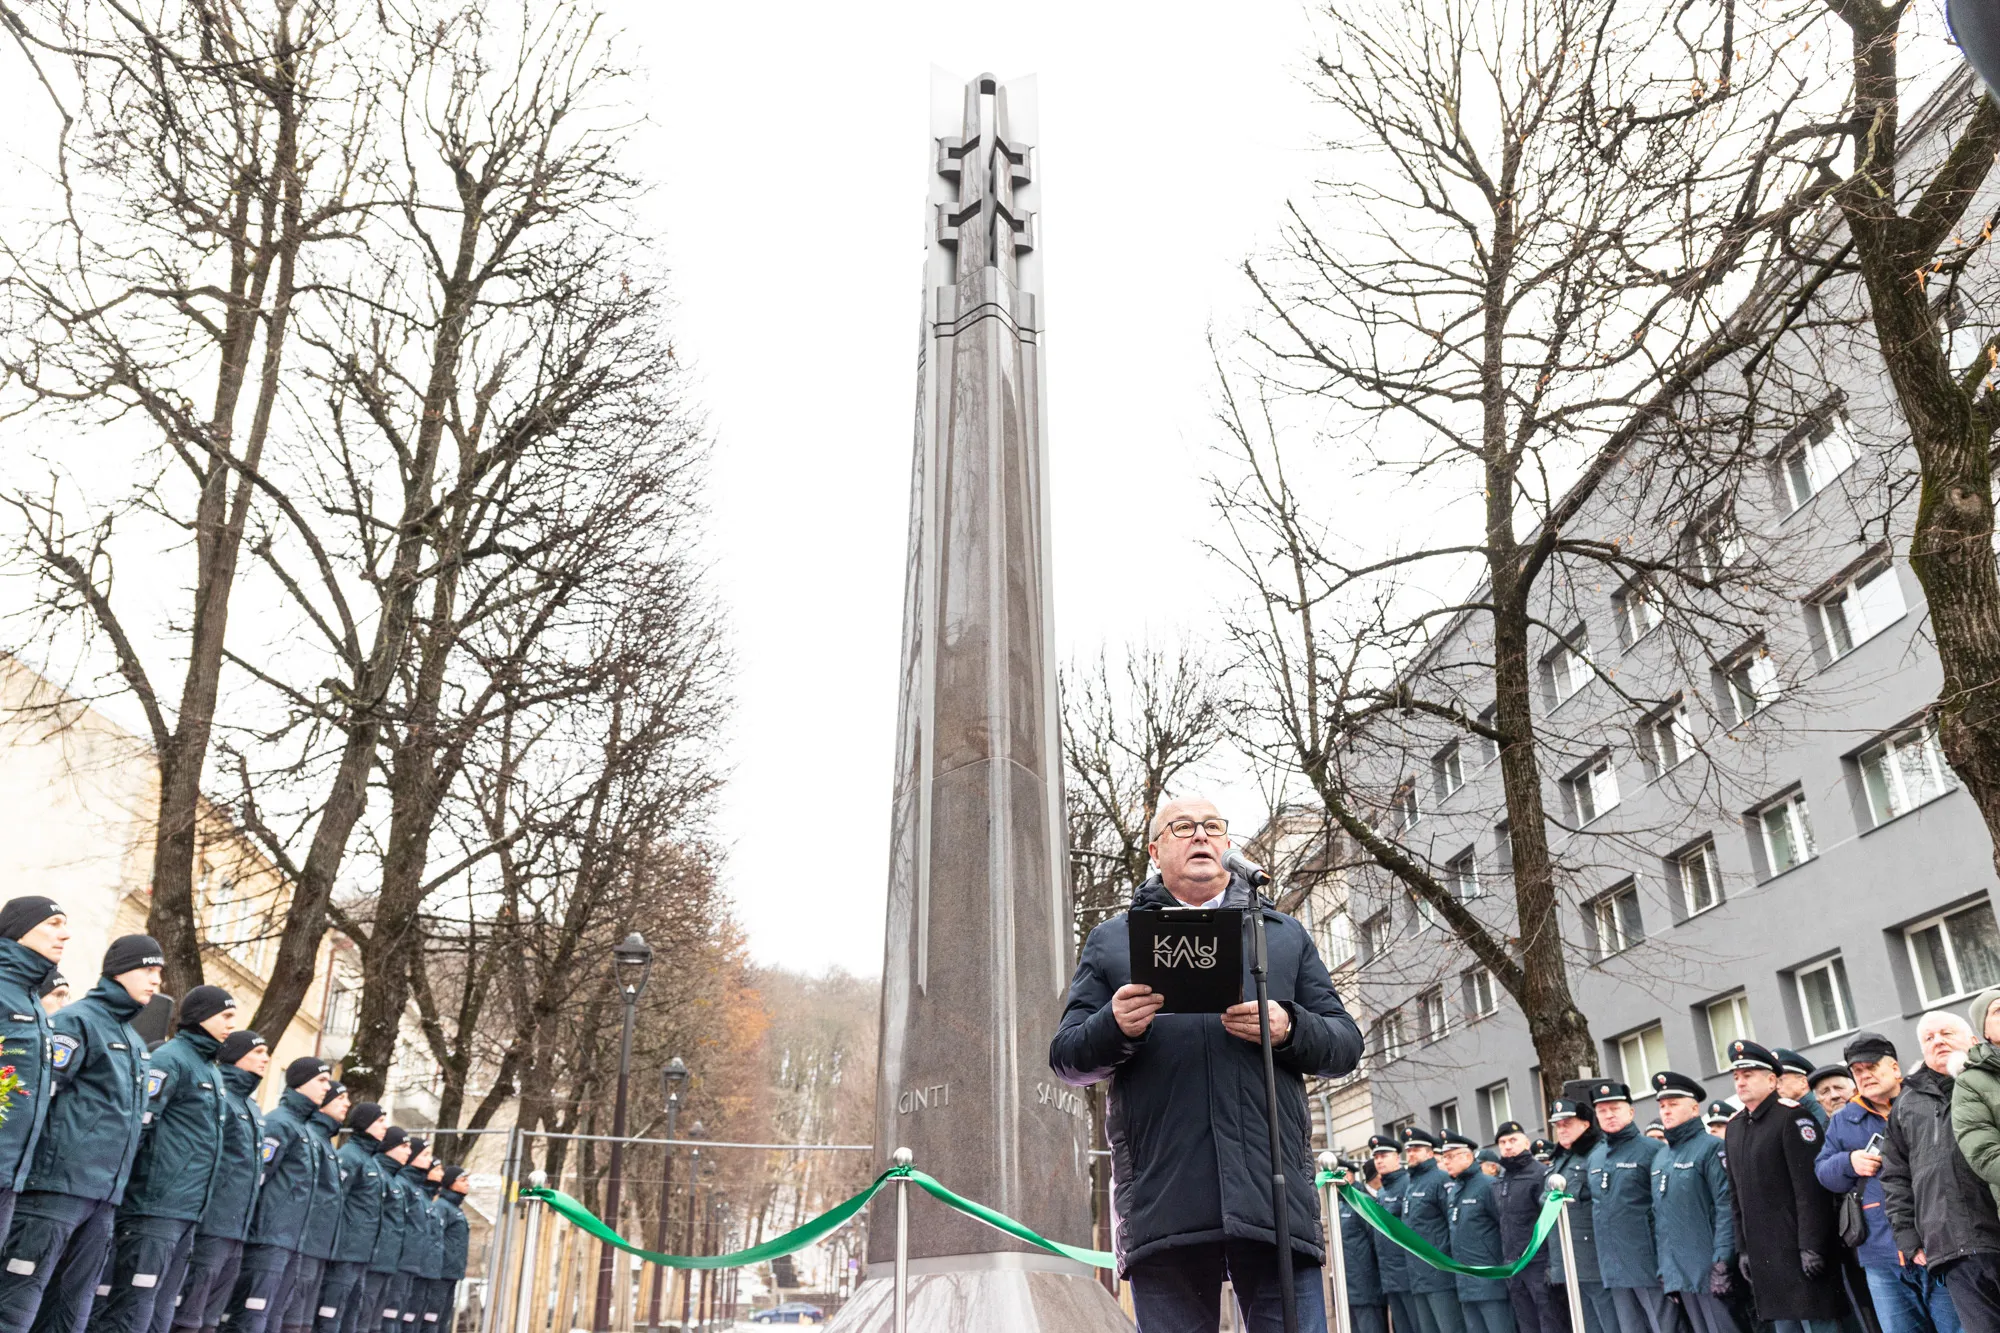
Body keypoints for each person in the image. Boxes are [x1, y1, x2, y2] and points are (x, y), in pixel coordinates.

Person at [1048, 796, 1364, 1331]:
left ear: (1227, 844)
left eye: (1212, 826)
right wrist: (1114, 1025)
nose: (1200, 835)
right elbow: (1067, 1058)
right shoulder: (1113, 940)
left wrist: (1290, 1027)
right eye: (1182, 827)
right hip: (1162, 1199)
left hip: (1273, 1199)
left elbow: (1346, 1045)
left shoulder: (1281, 934)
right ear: (1155, 851)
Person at [0, 935, 163, 1333]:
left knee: (72, 1310)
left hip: (103, 1197)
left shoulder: (134, 1040)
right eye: (148, 969)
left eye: (159, 972)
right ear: (119, 970)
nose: (156, 980)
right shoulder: (77, 1021)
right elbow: (42, 1097)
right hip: (55, 1190)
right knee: (17, 1305)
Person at [89, 986, 239, 1333]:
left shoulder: (210, 1069)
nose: (232, 1025)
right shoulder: (170, 1060)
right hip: (154, 1205)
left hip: (187, 1210)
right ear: (201, 1016)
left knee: (161, 1308)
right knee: (132, 1306)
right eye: (226, 1016)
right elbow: (140, 1127)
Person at [1819, 1032, 1959, 1333]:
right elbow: (1823, 1172)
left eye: (1871, 1067)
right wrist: (1849, 1162)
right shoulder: (1844, 1119)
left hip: (1939, 1246)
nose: (1864, 1075)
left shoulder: (1924, 1100)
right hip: (1881, 1255)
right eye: (1857, 1071)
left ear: (1895, 1068)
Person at [1883, 1012, 2000, 1333]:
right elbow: (1895, 1176)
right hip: (1952, 1242)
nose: (1938, 1041)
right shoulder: (1906, 1103)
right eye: (1929, 1038)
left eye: (1946, 1033)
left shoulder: (1991, 1079)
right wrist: (1908, 1238)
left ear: (1973, 1040)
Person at [228, 1058, 336, 1333]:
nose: (327, 1087)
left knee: (273, 1319)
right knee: (252, 1318)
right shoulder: (279, 1123)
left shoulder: (304, 1130)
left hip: (292, 1240)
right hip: (268, 1238)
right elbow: (259, 1178)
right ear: (300, 1082)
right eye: (321, 1080)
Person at [174, 1032, 269, 1333]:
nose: (266, 1059)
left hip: (236, 1229)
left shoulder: (252, 1107)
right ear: (237, 1054)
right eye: (259, 1052)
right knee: (188, 1315)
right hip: (211, 1223)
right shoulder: (221, 1096)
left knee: (211, 1319)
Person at [1582, 1080, 1685, 1333]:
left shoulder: (1653, 1150)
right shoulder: (1595, 1157)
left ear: (1630, 1111)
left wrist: (1667, 1264)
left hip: (1649, 1264)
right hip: (1613, 1266)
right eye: (1602, 1110)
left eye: (1615, 1108)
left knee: (1665, 1327)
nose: (1609, 1115)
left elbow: (1666, 1210)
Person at [1648, 1072, 1741, 1333]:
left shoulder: (1711, 1148)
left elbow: (1726, 1207)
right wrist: (1666, 1269)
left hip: (1710, 1270)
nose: (1666, 1111)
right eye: (1662, 1106)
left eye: (1673, 1104)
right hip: (1681, 1273)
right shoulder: (1661, 1157)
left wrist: (1723, 1261)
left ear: (1694, 1108)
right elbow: (1661, 1217)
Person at [0, 897, 68, 1246]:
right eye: (54, 924)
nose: (65, 935)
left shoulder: (33, 1004)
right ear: (21, 930)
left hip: (11, 1174)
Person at [279, 1081, 348, 1333]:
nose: (347, 1104)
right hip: (300, 1240)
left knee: (302, 1322)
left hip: (317, 1244)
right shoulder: (308, 1136)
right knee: (290, 1319)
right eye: (340, 1099)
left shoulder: (325, 1143)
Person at [1545, 1096, 1615, 1333]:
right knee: (1584, 1323)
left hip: (1592, 1256)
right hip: (1568, 1257)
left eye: (1567, 1124)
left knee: (1607, 1322)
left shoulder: (1597, 1153)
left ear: (1585, 1124)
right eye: (1558, 1125)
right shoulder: (1561, 1159)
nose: (1561, 1130)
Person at [321, 1105, 392, 1333]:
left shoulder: (371, 1161)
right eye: (380, 1121)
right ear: (365, 1123)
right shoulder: (349, 1157)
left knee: (350, 1317)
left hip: (361, 1254)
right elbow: (335, 1201)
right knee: (332, 1317)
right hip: (345, 1252)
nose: (385, 1126)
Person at [1494, 1122, 1564, 1333]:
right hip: (1513, 1266)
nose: (1507, 1146)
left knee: (1550, 1322)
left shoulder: (1540, 1174)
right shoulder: (1501, 1179)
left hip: (1538, 1265)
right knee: (1526, 1324)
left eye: (1513, 1140)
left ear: (1526, 1143)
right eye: (1502, 1142)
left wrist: (1551, 1265)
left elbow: (1551, 1222)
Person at [1441, 1133, 1514, 1333]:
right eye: (1444, 1157)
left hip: (1491, 1281)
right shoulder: (1455, 1190)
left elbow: (1505, 1229)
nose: (1446, 1162)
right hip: (1465, 1283)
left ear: (1467, 1156)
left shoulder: (1488, 1185)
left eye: (1450, 1156)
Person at [1401, 1128, 1465, 1333]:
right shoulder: (1411, 1183)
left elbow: (1453, 1224)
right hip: (1418, 1276)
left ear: (1429, 1153)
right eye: (1408, 1150)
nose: (1411, 1154)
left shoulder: (1440, 1179)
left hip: (1440, 1275)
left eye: (1416, 1149)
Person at [359, 1129, 414, 1333]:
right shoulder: (379, 1175)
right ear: (389, 1147)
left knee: (375, 1324)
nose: (408, 1152)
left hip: (388, 1262)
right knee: (362, 1321)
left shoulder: (393, 1179)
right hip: (373, 1260)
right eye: (404, 1146)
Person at [1373, 1136, 1420, 1333]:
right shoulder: (1382, 1193)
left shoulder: (1408, 1184)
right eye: (1376, 1157)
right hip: (1390, 1276)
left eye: (1384, 1156)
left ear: (1397, 1157)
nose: (1379, 1161)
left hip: (1408, 1274)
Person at [1334, 1159, 1387, 1333]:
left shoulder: (1362, 1201)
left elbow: (1376, 1241)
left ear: (1349, 1176)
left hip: (1365, 1285)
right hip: (1349, 1286)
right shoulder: (1341, 1203)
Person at [433, 1169, 469, 1333]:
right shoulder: (442, 1207)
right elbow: (435, 1236)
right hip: (440, 1273)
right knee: (434, 1317)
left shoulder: (455, 1209)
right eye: (462, 1180)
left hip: (451, 1272)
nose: (467, 1184)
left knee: (444, 1318)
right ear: (450, 1183)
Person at [1778, 1050, 1829, 1128]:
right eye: (1776, 1082)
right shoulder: (1796, 1111)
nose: (1777, 1086)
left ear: (1803, 1082)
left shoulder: (1820, 1109)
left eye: (1781, 1080)